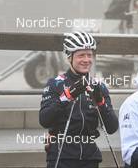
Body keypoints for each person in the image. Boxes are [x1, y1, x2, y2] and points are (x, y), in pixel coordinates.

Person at [39, 31, 118, 168]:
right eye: (81, 55)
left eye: (89, 55)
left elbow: (112, 127)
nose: (86, 60)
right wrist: (67, 96)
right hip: (61, 156)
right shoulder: (55, 84)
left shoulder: (99, 86)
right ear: (69, 57)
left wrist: (101, 102)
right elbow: (44, 120)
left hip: (90, 157)